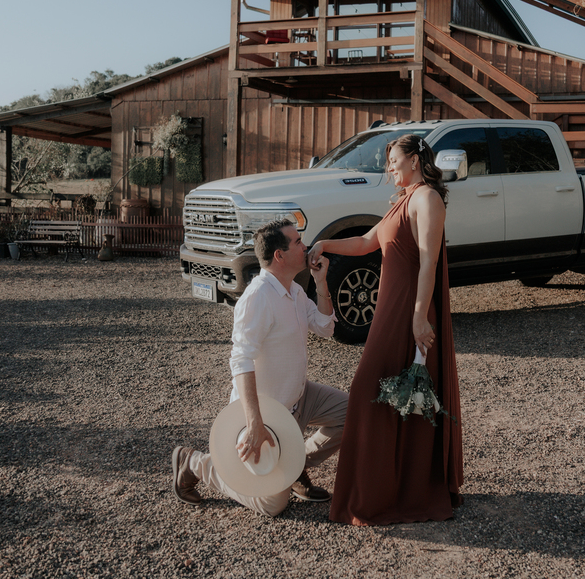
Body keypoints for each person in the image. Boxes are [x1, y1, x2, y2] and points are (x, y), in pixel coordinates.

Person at [311, 134, 464, 525]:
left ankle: (394, 492)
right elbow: (366, 242)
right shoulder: (402, 200)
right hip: (390, 311)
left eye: (394, 160)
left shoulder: (427, 199)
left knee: (376, 392)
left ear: (414, 160)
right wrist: (325, 244)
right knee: (384, 395)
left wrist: (419, 316)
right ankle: (383, 488)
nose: (389, 168)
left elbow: (429, 262)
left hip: (409, 311)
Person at [171, 218, 346, 517]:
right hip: (267, 413)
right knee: (272, 505)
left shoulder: (294, 290)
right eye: (297, 242)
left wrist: (320, 283)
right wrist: (254, 423)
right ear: (279, 255)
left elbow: (325, 328)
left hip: (301, 398)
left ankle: (293, 466)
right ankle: (195, 464)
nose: (305, 247)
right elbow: (240, 360)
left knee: (353, 413)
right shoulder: (258, 297)